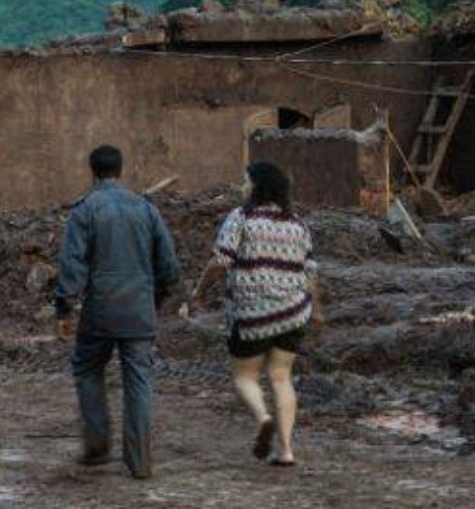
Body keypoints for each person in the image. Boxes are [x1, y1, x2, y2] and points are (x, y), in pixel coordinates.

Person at [54, 144, 180, 480]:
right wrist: (156, 299)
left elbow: (72, 264)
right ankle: (140, 461)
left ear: (92, 171)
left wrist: (64, 306)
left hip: (100, 310)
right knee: (139, 381)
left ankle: (97, 444)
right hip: (139, 311)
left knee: (87, 368)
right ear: (120, 171)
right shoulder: (146, 209)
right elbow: (169, 265)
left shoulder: (85, 209)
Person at [208, 161, 317, 466]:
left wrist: (199, 289)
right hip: (293, 312)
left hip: (252, 314)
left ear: (257, 186)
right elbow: (310, 271)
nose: (243, 187)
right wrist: (316, 309)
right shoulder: (298, 223)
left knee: (245, 377)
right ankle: (286, 451)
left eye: (246, 181)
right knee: (282, 377)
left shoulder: (241, 217)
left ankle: (263, 418)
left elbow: (221, 261)